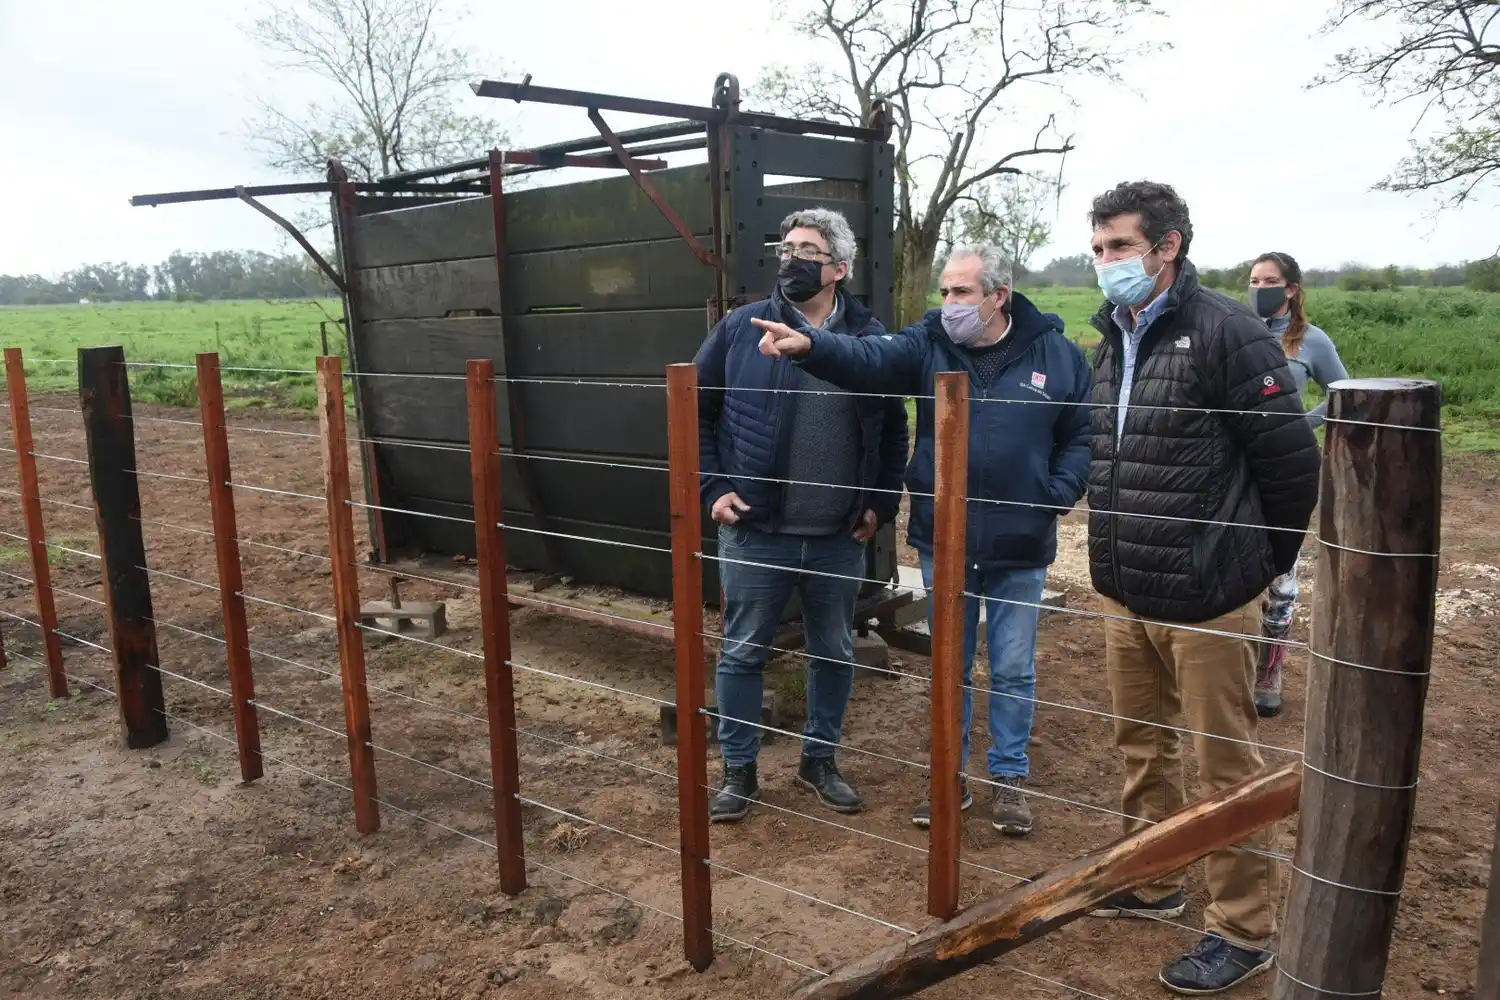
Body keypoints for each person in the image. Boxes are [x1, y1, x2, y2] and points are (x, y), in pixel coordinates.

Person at [753, 244, 1092, 837]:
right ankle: (947, 777)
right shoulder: (929, 343)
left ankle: (1008, 779)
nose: (949, 303)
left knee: (1012, 668)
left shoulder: (1057, 356)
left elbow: (1081, 435)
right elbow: (867, 360)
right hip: (944, 540)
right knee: (948, 666)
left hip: (1021, 541)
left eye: (961, 292)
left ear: (998, 296)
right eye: (945, 291)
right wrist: (812, 347)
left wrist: (1053, 494)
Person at [1080, 181, 1321, 995]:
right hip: (1125, 591)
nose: (1105, 262)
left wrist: (1252, 566)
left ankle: (1242, 930)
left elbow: (1290, 469)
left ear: (1167, 245)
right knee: (1140, 748)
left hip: (1210, 599)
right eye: (1100, 247)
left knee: (1224, 766)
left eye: (1118, 246)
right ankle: (1152, 879)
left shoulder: (1226, 332)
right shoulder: (1112, 335)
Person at [694, 207, 908, 824]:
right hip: (758, 532)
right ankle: (739, 770)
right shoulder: (739, 330)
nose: (791, 259)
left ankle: (819, 760)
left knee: (835, 651)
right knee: (741, 653)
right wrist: (713, 484)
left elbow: (893, 431)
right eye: (785, 248)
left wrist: (879, 503)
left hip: (839, 535)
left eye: (808, 250)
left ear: (839, 268)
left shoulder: (870, 341)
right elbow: (696, 411)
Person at [1247, 250, 1350, 718]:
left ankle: (1270, 669)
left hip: (1287, 468)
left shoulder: (1311, 341)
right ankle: (1227, 662)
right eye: (1252, 279)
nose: (1259, 287)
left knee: (1281, 573)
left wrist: (1301, 425)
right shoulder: (1238, 332)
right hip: (1235, 466)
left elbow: (1346, 395)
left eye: (1269, 280)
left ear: (1290, 289)